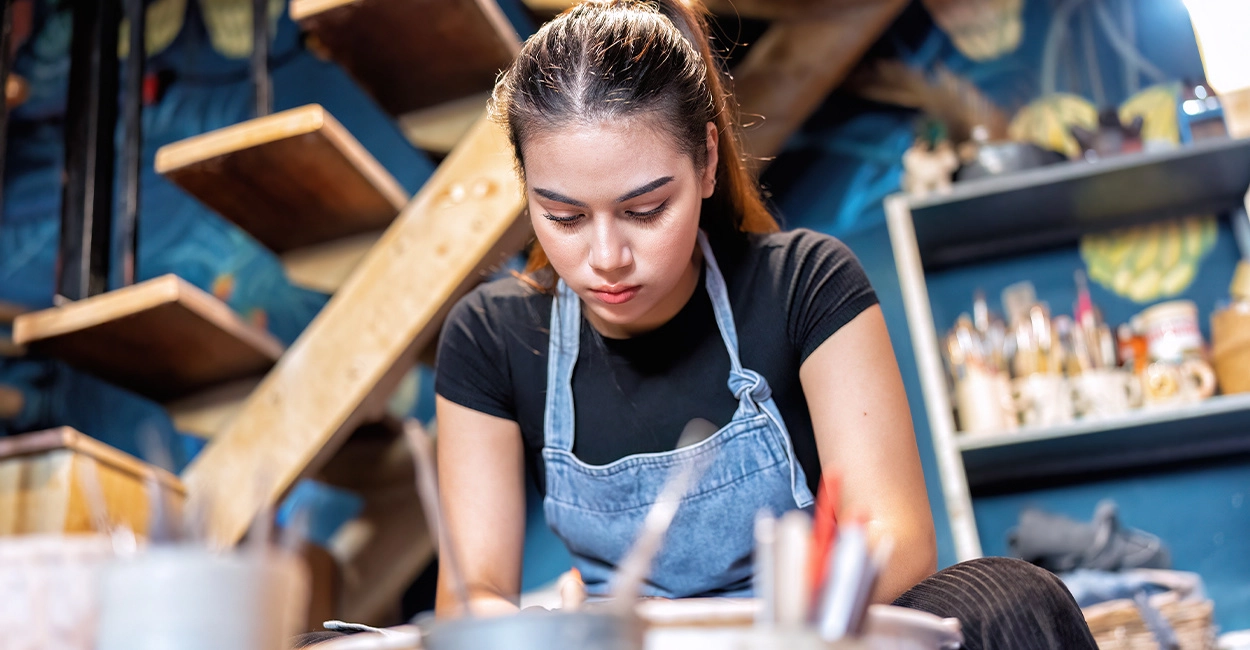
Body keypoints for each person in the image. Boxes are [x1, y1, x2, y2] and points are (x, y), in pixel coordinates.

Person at [432, 1, 1097, 647]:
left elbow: (896, 537)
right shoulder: (492, 338)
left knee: (1013, 600)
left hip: (803, 632)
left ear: (708, 162)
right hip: (621, 643)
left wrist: (749, 636)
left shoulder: (804, 282)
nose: (605, 258)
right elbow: (471, 594)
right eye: (565, 217)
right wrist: (552, 626)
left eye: (646, 209)